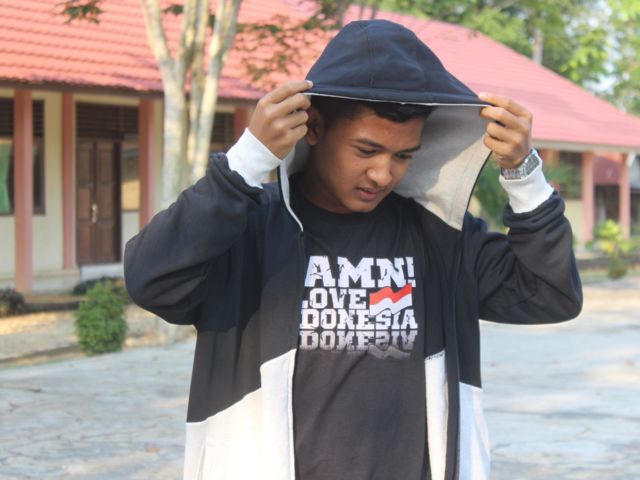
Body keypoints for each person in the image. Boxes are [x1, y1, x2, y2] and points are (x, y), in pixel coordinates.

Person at [124, 19, 582, 480]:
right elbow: (152, 280)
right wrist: (246, 162)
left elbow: (551, 293)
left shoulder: (440, 238)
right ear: (314, 127)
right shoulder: (250, 229)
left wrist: (524, 175)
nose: (383, 174)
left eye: (403, 156)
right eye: (366, 150)